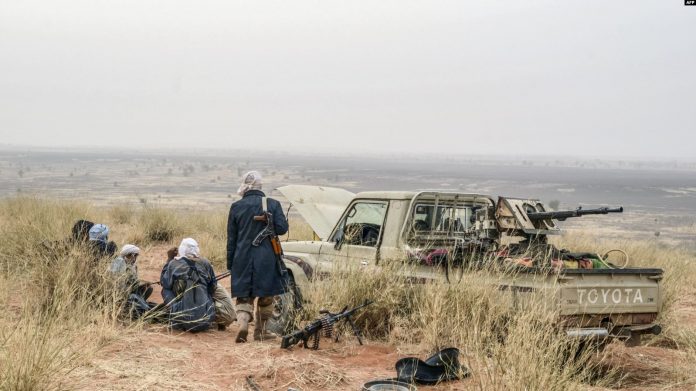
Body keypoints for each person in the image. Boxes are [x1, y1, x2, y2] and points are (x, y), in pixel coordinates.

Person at [227, 171, 289, 342]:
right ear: (260, 186)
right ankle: (260, 332)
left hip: (242, 257)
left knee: (244, 295)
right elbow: (282, 229)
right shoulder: (273, 204)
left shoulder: (236, 207)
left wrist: (230, 264)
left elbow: (231, 239)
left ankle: (243, 323)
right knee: (266, 296)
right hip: (267, 258)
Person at [160, 238, 234, 332]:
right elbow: (212, 287)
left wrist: (169, 258)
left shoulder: (174, 264)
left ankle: (175, 313)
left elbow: (164, 282)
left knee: (166, 289)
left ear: (182, 249)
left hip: (182, 321)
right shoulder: (206, 263)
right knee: (208, 289)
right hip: (206, 320)